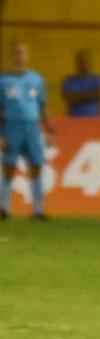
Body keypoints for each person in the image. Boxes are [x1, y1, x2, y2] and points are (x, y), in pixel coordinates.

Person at [0, 42, 52, 221]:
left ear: (27, 56)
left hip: (32, 127)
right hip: (11, 126)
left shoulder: (37, 79)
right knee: (8, 167)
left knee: (36, 166)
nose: (19, 56)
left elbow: (42, 105)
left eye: (22, 53)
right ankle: (4, 208)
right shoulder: (3, 80)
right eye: (16, 53)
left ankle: (38, 210)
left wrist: (48, 128)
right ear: (12, 56)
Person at [60, 49, 100, 117]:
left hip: (94, 120)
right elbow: (68, 98)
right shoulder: (68, 81)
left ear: (90, 63)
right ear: (77, 63)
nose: (84, 64)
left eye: (86, 61)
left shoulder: (97, 80)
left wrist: (77, 96)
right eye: (82, 62)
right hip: (74, 120)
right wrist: (90, 94)